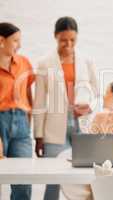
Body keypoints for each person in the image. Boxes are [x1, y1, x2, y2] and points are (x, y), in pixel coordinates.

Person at [33, 16, 98, 200]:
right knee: (53, 177)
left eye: (72, 40)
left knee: (85, 176)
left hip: (81, 123)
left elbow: (96, 91)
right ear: (55, 37)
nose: (68, 44)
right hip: (54, 127)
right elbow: (39, 102)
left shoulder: (87, 60)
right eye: (63, 40)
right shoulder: (45, 63)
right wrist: (38, 136)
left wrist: (89, 107)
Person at [0, 22, 34, 200]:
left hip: (21, 122)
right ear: (1, 40)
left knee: (23, 177)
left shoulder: (24, 63)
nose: (19, 45)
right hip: (0, 121)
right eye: (15, 41)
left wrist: (30, 121)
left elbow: (28, 94)